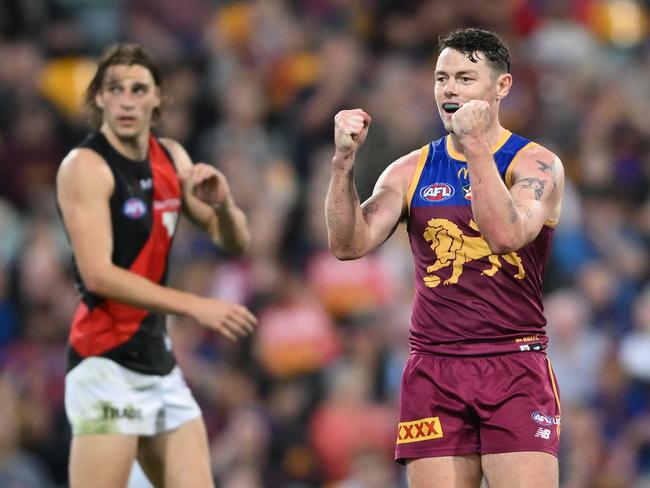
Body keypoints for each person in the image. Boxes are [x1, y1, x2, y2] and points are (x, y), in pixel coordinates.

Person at [326, 28, 565, 488]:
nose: (449, 89)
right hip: (433, 368)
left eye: (465, 78)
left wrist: (475, 145)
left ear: (502, 87)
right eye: (441, 78)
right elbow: (347, 244)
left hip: (513, 362)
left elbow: (505, 234)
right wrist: (342, 164)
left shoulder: (535, 165)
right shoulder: (410, 169)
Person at [56, 43, 257, 488]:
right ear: (99, 99)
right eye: (116, 89)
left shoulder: (171, 158)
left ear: (157, 99)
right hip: (106, 362)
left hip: (158, 363)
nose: (127, 99)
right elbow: (98, 274)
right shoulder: (85, 166)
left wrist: (223, 206)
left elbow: (235, 241)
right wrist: (195, 306)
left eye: (138, 89)